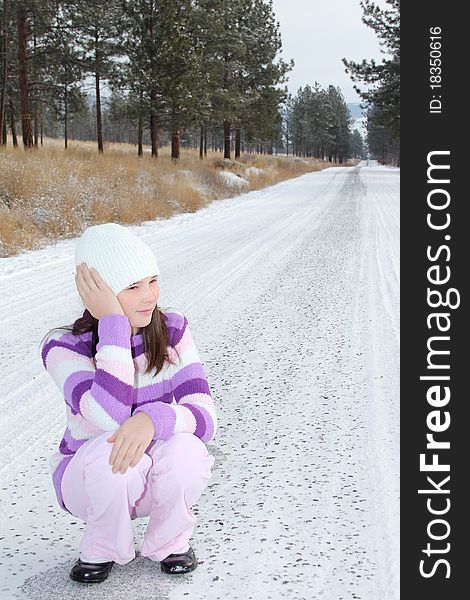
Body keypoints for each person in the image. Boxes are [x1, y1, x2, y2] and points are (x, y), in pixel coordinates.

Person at [39, 222, 217, 584]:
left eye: (153, 280)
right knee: (110, 449)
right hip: (89, 482)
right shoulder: (62, 347)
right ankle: (103, 545)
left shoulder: (173, 330)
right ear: (97, 295)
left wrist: (153, 419)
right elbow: (108, 415)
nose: (149, 295)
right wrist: (114, 325)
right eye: (133, 287)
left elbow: (205, 418)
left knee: (187, 449)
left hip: (152, 478)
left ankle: (170, 541)